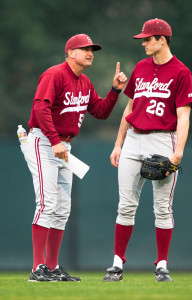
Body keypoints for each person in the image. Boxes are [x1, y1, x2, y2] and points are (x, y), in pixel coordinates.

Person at [20, 33, 127, 282]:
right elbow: (40, 107)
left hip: (63, 146)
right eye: (85, 48)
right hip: (43, 141)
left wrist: (114, 91)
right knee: (47, 203)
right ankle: (37, 269)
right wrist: (54, 140)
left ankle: (53, 267)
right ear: (70, 52)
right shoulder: (55, 74)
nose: (90, 53)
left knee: (62, 208)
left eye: (92, 49)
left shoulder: (85, 82)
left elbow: (99, 112)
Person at [102, 19, 192, 282]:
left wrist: (178, 152)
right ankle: (117, 264)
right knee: (126, 205)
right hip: (133, 139)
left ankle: (162, 265)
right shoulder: (141, 68)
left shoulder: (181, 72)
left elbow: (184, 117)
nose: (143, 43)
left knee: (163, 208)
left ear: (162, 40)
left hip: (164, 140)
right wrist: (118, 143)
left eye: (147, 39)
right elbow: (129, 110)